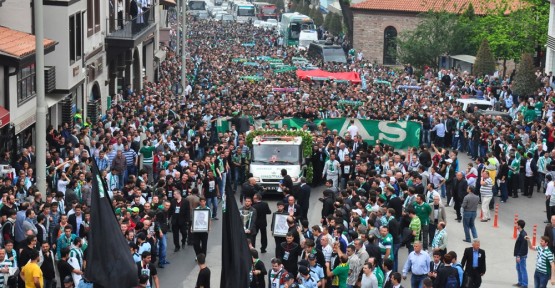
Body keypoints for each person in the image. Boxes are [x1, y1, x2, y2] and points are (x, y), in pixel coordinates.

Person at [514, 219, 529, 288]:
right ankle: (520, 282)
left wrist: (519, 255)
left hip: (521, 255)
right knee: (518, 268)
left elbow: (523, 246)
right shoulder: (520, 233)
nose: (515, 225)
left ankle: (524, 284)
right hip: (519, 254)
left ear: (519, 226)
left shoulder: (523, 234)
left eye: (517, 224)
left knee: (523, 269)